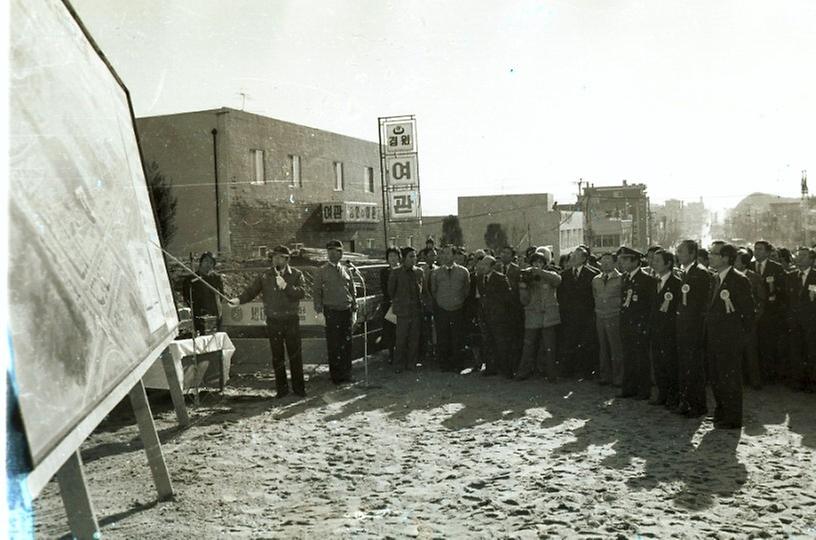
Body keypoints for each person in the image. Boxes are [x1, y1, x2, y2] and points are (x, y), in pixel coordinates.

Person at [230, 246, 306, 398]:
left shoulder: (296, 274)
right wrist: (238, 300)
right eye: (274, 257)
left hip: (291, 319)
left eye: (280, 257)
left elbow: (301, 293)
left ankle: (299, 389)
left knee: (295, 356)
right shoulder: (265, 276)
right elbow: (252, 291)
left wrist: (286, 286)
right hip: (273, 321)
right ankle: (282, 390)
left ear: (287, 259)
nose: (276, 260)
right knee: (277, 356)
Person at [705, 242, 754, 429]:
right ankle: (721, 412)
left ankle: (732, 417)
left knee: (730, 379)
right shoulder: (715, 279)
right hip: (714, 337)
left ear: (725, 258)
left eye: (714, 254)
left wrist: (739, 339)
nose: (710, 256)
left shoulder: (738, 280)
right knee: (717, 378)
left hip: (730, 340)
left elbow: (748, 313)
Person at [674, 239, 712, 417]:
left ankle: (698, 405)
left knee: (694, 367)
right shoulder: (685, 272)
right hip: (684, 326)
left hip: (694, 328)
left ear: (692, 254)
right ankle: (687, 402)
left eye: (681, 251)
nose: (678, 254)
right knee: (685, 366)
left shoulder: (700, 274)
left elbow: (701, 304)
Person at [312, 240, 357, 385]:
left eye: (337, 251)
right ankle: (336, 376)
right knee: (334, 345)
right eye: (330, 251)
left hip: (346, 311)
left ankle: (347, 374)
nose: (333, 254)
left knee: (347, 344)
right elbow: (316, 293)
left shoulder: (346, 270)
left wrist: (354, 309)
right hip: (331, 312)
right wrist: (319, 312)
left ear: (341, 253)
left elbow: (352, 290)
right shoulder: (321, 271)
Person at [515, 249, 562, 381]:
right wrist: (524, 286)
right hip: (533, 315)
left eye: (540, 262)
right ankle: (523, 371)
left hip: (548, 316)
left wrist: (540, 273)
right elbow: (524, 301)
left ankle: (551, 374)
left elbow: (557, 280)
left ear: (544, 263)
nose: (537, 264)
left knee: (549, 346)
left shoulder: (550, 274)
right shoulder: (527, 276)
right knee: (528, 345)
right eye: (535, 262)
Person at [617, 247, 656, 400]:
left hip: (640, 324)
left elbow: (649, 306)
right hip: (627, 323)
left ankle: (643, 389)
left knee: (641, 358)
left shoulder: (647, 280)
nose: (623, 263)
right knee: (629, 356)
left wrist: (645, 325)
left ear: (635, 260)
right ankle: (629, 387)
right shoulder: (626, 278)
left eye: (626, 259)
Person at [557, 246, 600, 379]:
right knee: (569, 342)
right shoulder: (564, 275)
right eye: (571, 256)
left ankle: (586, 371)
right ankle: (568, 370)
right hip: (569, 315)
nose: (572, 259)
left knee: (586, 343)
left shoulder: (593, 274)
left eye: (576, 257)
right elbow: (560, 295)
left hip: (586, 316)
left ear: (584, 259)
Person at [649, 249, 682, 406]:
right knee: (658, 364)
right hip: (655, 330)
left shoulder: (676, 284)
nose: (653, 264)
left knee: (670, 364)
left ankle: (673, 396)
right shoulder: (654, 282)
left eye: (657, 261)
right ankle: (662, 394)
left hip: (669, 331)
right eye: (653, 260)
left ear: (668, 263)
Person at [752, 240, 787, 384]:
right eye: (755, 249)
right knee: (755, 344)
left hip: (770, 312)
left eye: (760, 249)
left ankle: (768, 375)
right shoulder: (749, 266)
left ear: (767, 252)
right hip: (754, 311)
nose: (757, 252)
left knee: (767, 344)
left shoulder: (776, 268)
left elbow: (781, 289)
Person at [430, 245, 471, 373]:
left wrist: (458, 301)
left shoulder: (463, 272)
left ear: (454, 255)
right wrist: (442, 301)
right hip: (442, 309)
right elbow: (433, 290)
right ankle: (444, 364)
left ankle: (458, 364)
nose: (446, 256)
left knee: (457, 338)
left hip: (458, 309)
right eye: (443, 253)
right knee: (443, 337)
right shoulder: (436, 273)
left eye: (449, 253)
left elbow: (466, 290)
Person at [475, 255, 516, 378]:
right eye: (482, 264)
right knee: (488, 343)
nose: (483, 267)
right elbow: (480, 297)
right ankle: (490, 368)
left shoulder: (501, 278)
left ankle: (506, 370)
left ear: (492, 267)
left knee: (501, 343)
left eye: (486, 264)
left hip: (499, 316)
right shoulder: (479, 278)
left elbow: (508, 298)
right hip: (485, 315)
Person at [388, 247, 424, 373]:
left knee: (414, 339)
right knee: (401, 339)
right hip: (403, 312)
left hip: (415, 311)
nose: (414, 259)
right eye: (411, 256)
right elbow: (391, 291)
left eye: (415, 256)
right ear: (403, 258)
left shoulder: (419, 272)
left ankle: (412, 363)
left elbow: (421, 290)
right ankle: (398, 364)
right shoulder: (396, 272)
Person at [785, 246, 816, 392]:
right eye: (798, 255)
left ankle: (812, 383)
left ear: (811, 260)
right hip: (794, 321)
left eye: (803, 256)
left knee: (811, 352)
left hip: (812, 322)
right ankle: (797, 381)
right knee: (795, 351)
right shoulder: (791, 276)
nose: (799, 258)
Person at [592, 252, 624, 387]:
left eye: (608, 261)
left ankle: (619, 377)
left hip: (614, 316)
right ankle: (605, 376)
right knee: (603, 348)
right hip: (600, 316)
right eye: (603, 261)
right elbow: (595, 297)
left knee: (616, 348)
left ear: (615, 263)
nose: (605, 264)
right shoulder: (596, 280)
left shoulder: (621, 279)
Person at [735, 248, 765, 389]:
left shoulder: (754, 277)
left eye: (737, 260)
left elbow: (761, 299)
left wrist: (755, 317)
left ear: (744, 263)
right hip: (734, 320)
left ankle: (755, 380)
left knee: (751, 351)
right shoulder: (731, 276)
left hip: (749, 320)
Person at [182, 251, 224, 334]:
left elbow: (221, 295)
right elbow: (186, 296)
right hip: (198, 314)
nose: (208, 264)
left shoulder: (216, 278)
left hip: (213, 313)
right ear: (201, 262)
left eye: (211, 262)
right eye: (206, 261)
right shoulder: (191, 279)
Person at [499, 246, 524, 370]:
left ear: (512, 256)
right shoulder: (497, 268)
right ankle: (504, 366)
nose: (504, 255)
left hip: (513, 309)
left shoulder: (517, 270)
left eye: (507, 253)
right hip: (500, 310)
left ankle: (514, 365)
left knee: (514, 338)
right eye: (503, 252)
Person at [379, 248, 401, 362]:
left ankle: (401, 353)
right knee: (390, 329)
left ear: (399, 257)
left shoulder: (403, 270)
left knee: (401, 329)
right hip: (389, 304)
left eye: (395, 256)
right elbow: (385, 288)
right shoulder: (385, 272)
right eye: (390, 256)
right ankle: (392, 354)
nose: (393, 258)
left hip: (402, 304)